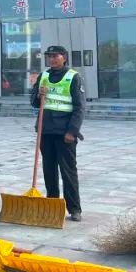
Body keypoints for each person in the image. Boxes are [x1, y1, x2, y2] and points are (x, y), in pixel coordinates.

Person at [30, 45, 86, 221]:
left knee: (68, 172)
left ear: (64, 57)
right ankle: (52, 204)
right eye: (50, 56)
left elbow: (80, 107)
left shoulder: (73, 77)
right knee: (49, 170)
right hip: (45, 131)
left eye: (56, 56)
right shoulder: (43, 76)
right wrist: (38, 95)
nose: (52, 59)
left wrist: (72, 131)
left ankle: (74, 208)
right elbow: (34, 102)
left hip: (64, 133)